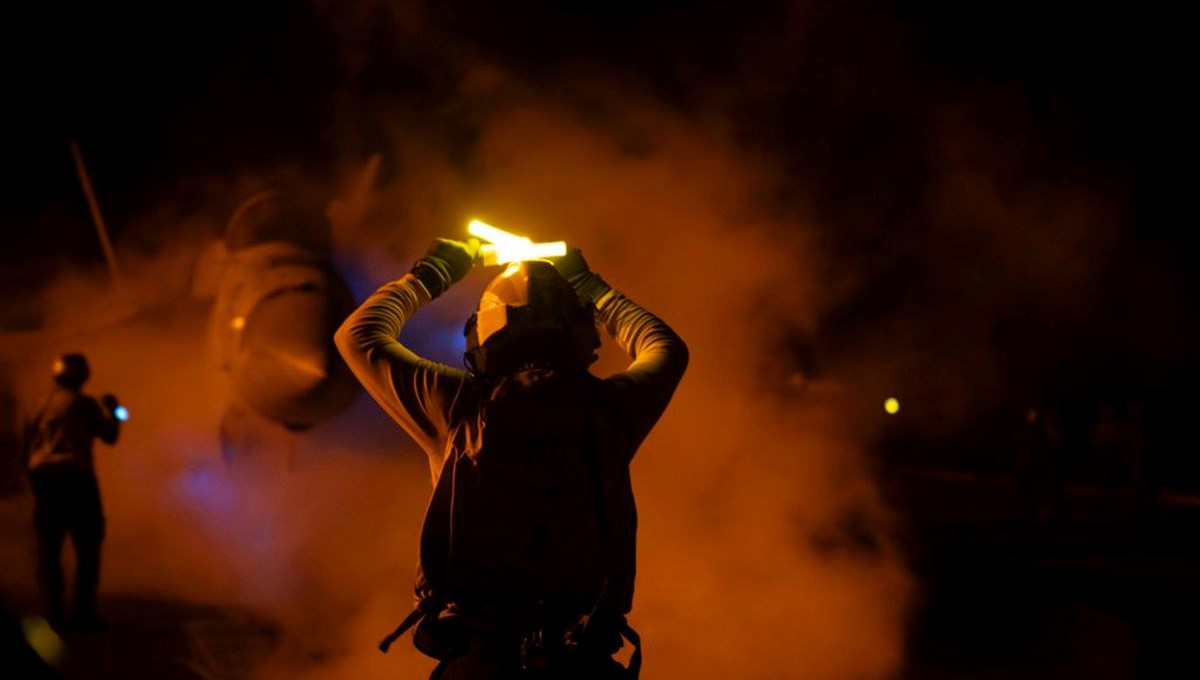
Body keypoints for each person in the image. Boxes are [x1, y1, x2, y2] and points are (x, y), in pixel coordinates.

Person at [335, 237, 688, 679]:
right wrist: (590, 285)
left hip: (479, 664)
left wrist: (433, 273)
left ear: (484, 333)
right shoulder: (614, 409)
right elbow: (667, 348)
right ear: (581, 333)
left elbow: (357, 335)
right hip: (581, 665)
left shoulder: (457, 404)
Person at [23, 353, 121, 630]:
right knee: (88, 545)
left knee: (48, 549)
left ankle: (52, 612)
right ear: (81, 376)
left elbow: (25, 444)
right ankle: (83, 613)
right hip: (76, 480)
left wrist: (32, 481)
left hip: (44, 480)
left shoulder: (37, 404)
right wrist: (113, 411)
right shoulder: (83, 404)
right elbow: (110, 436)